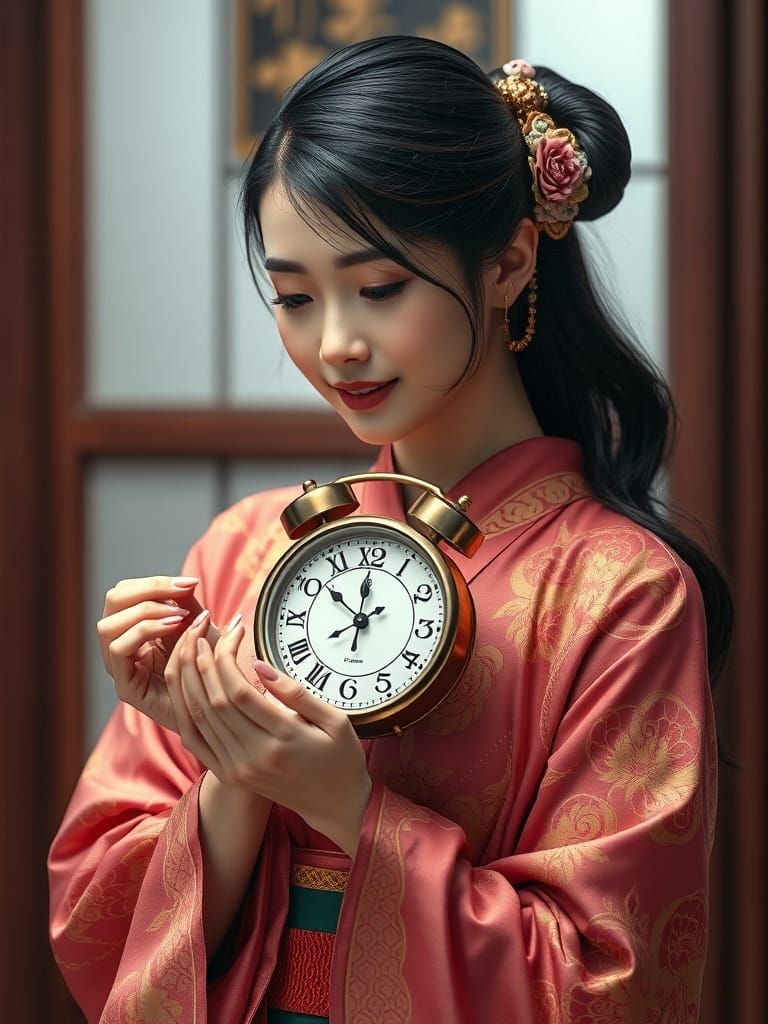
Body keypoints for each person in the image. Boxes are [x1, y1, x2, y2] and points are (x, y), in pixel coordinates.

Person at [48, 35, 733, 1024]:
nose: (334, 344)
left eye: (378, 289)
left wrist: (347, 806)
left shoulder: (623, 591)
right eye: (293, 296)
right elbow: (93, 918)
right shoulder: (243, 553)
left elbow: (605, 983)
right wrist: (235, 777)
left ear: (506, 262)